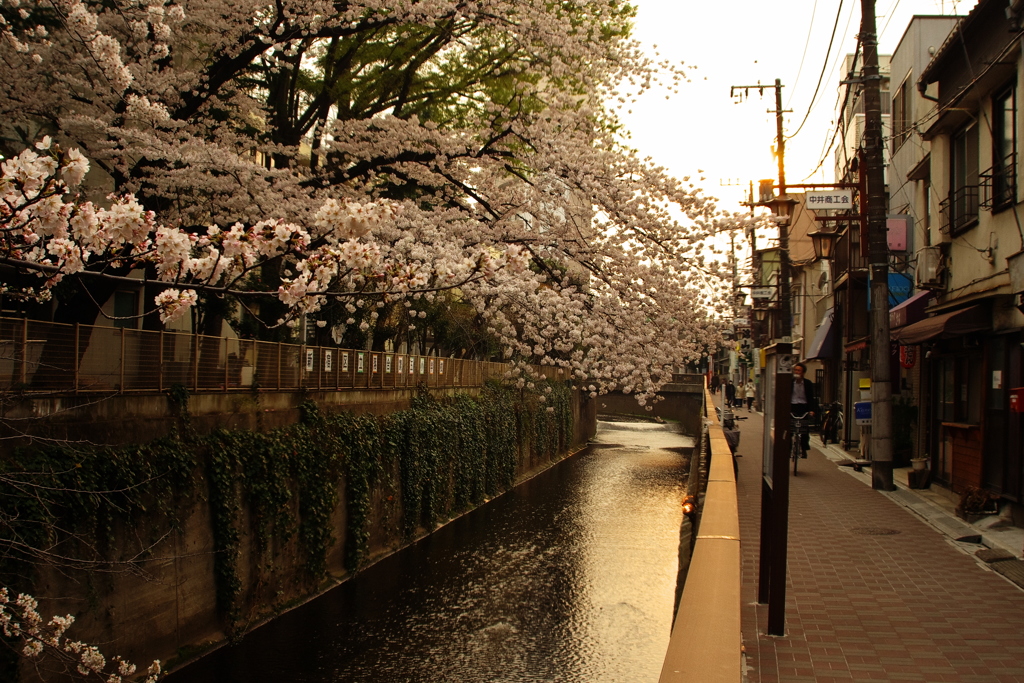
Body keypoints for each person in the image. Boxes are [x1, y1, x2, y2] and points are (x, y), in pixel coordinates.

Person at [791, 362, 817, 457]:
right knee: (790, 429)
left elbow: (811, 398)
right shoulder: (790, 382)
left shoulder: (808, 383)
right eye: (795, 370)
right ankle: (788, 449)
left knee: (804, 430)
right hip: (792, 407)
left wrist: (812, 410)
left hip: (803, 407)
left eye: (799, 370)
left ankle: (804, 448)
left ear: (803, 373)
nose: (796, 372)